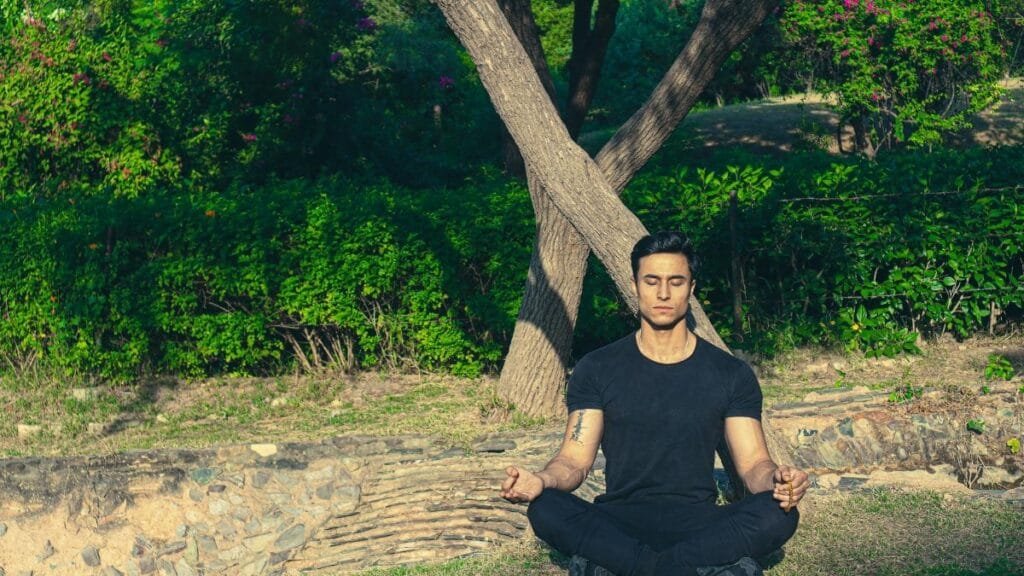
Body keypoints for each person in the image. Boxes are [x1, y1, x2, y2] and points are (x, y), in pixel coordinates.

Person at [500, 231, 809, 576]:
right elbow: (574, 461)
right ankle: (683, 569)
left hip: (700, 524)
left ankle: (638, 567)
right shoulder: (598, 368)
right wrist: (541, 480)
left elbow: (753, 466)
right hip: (618, 521)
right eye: (652, 281)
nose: (663, 293)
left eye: (675, 282)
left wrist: (779, 482)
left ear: (691, 289)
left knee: (778, 513)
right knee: (545, 509)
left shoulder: (729, 373)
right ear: (635, 285)